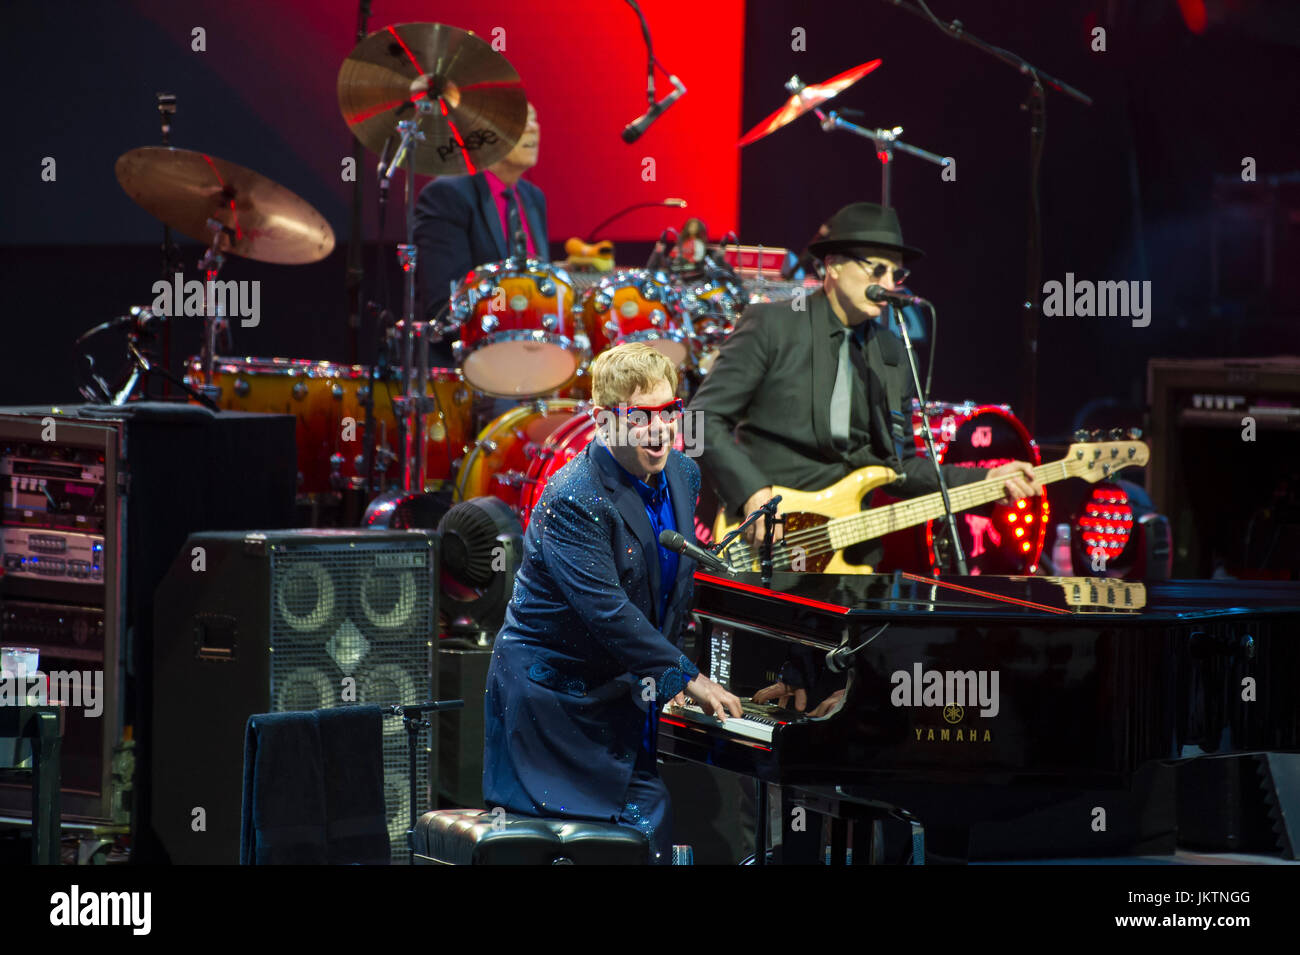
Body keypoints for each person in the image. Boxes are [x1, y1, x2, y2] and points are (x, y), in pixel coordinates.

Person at [689, 201, 1041, 713]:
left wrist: (988, 478)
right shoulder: (771, 325)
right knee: (755, 707)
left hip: (846, 562)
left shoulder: (893, 352)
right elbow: (703, 420)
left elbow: (896, 470)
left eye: (897, 272)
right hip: (769, 547)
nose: (889, 280)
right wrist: (751, 493)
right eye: (875, 268)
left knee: (844, 712)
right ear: (832, 266)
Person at [482, 342, 742, 863]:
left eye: (669, 411)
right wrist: (688, 676)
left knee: (653, 819)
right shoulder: (573, 496)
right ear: (604, 420)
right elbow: (608, 611)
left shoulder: (681, 475)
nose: (661, 428)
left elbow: (675, 590)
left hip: (626, 692)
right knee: (646, 820)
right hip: (557, 704)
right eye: (641, 416)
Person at [413, 101, 548, 361]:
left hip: (529, 357)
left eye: (535, 118)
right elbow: (445, 304)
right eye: (522, 120)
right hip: (470, 364)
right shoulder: (447, 195)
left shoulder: (533, 197)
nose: (533, 128)